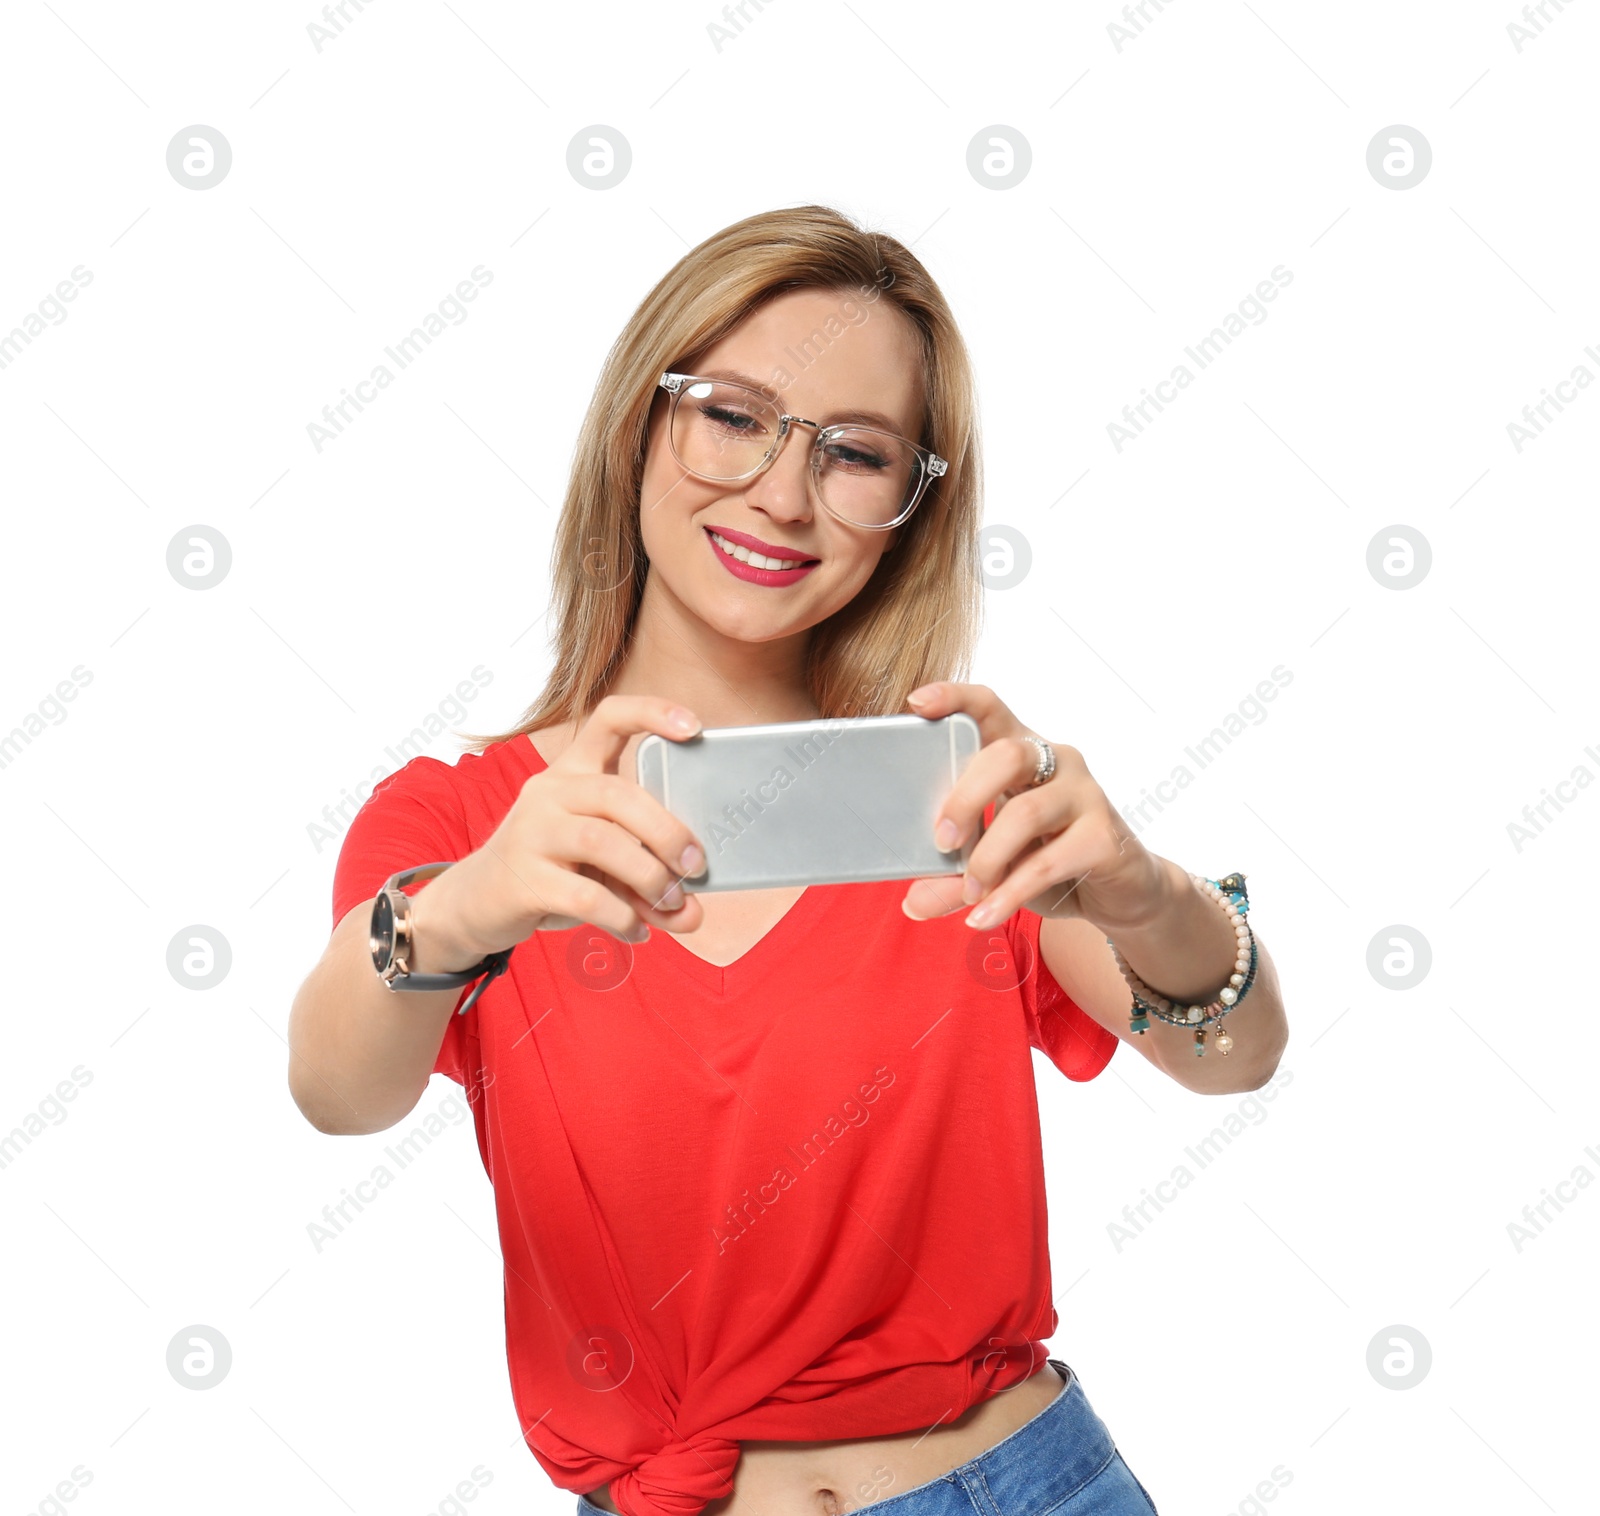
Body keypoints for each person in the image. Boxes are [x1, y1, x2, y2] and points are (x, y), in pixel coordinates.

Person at [289, 204, 1287, 1516]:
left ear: (908, 509)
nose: (780, 492)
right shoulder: (467, 821)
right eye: (735, 415)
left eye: (856, 453)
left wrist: (1146, 891)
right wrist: (463, 909)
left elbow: (1234, 1052)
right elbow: (334, 1087)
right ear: (640, 424)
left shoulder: (957, 793)